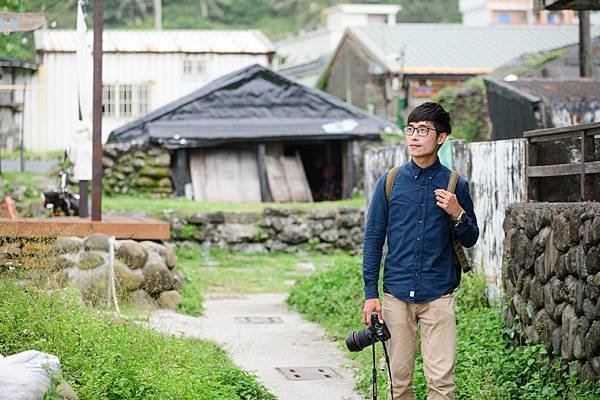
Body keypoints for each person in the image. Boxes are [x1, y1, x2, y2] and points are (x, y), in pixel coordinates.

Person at [361, 102, 479, 400]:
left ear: (441, 137)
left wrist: (457, 213)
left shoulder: (455, 184)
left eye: (423, 130)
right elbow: (374, 239)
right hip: (396, 297)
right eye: (410, 130)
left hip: (439, 296)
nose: (414, 137)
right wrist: (370, 294)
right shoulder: (390, 182)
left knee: (441, 384)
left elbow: (470, 237)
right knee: (397, 384)